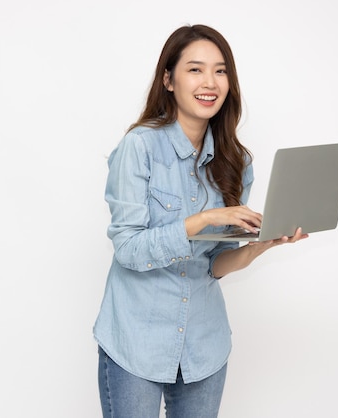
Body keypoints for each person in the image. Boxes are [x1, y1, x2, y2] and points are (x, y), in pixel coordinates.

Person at [92, 24, 308, 418]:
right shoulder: (138, 147)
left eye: (220, 70)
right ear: (168, 80)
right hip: (135, 342)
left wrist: (260, 246)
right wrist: (206, 218)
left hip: (204, 347)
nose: (210, 82)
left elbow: (215, 265)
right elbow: (128, 250)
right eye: (195, 69)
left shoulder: (237, 164)